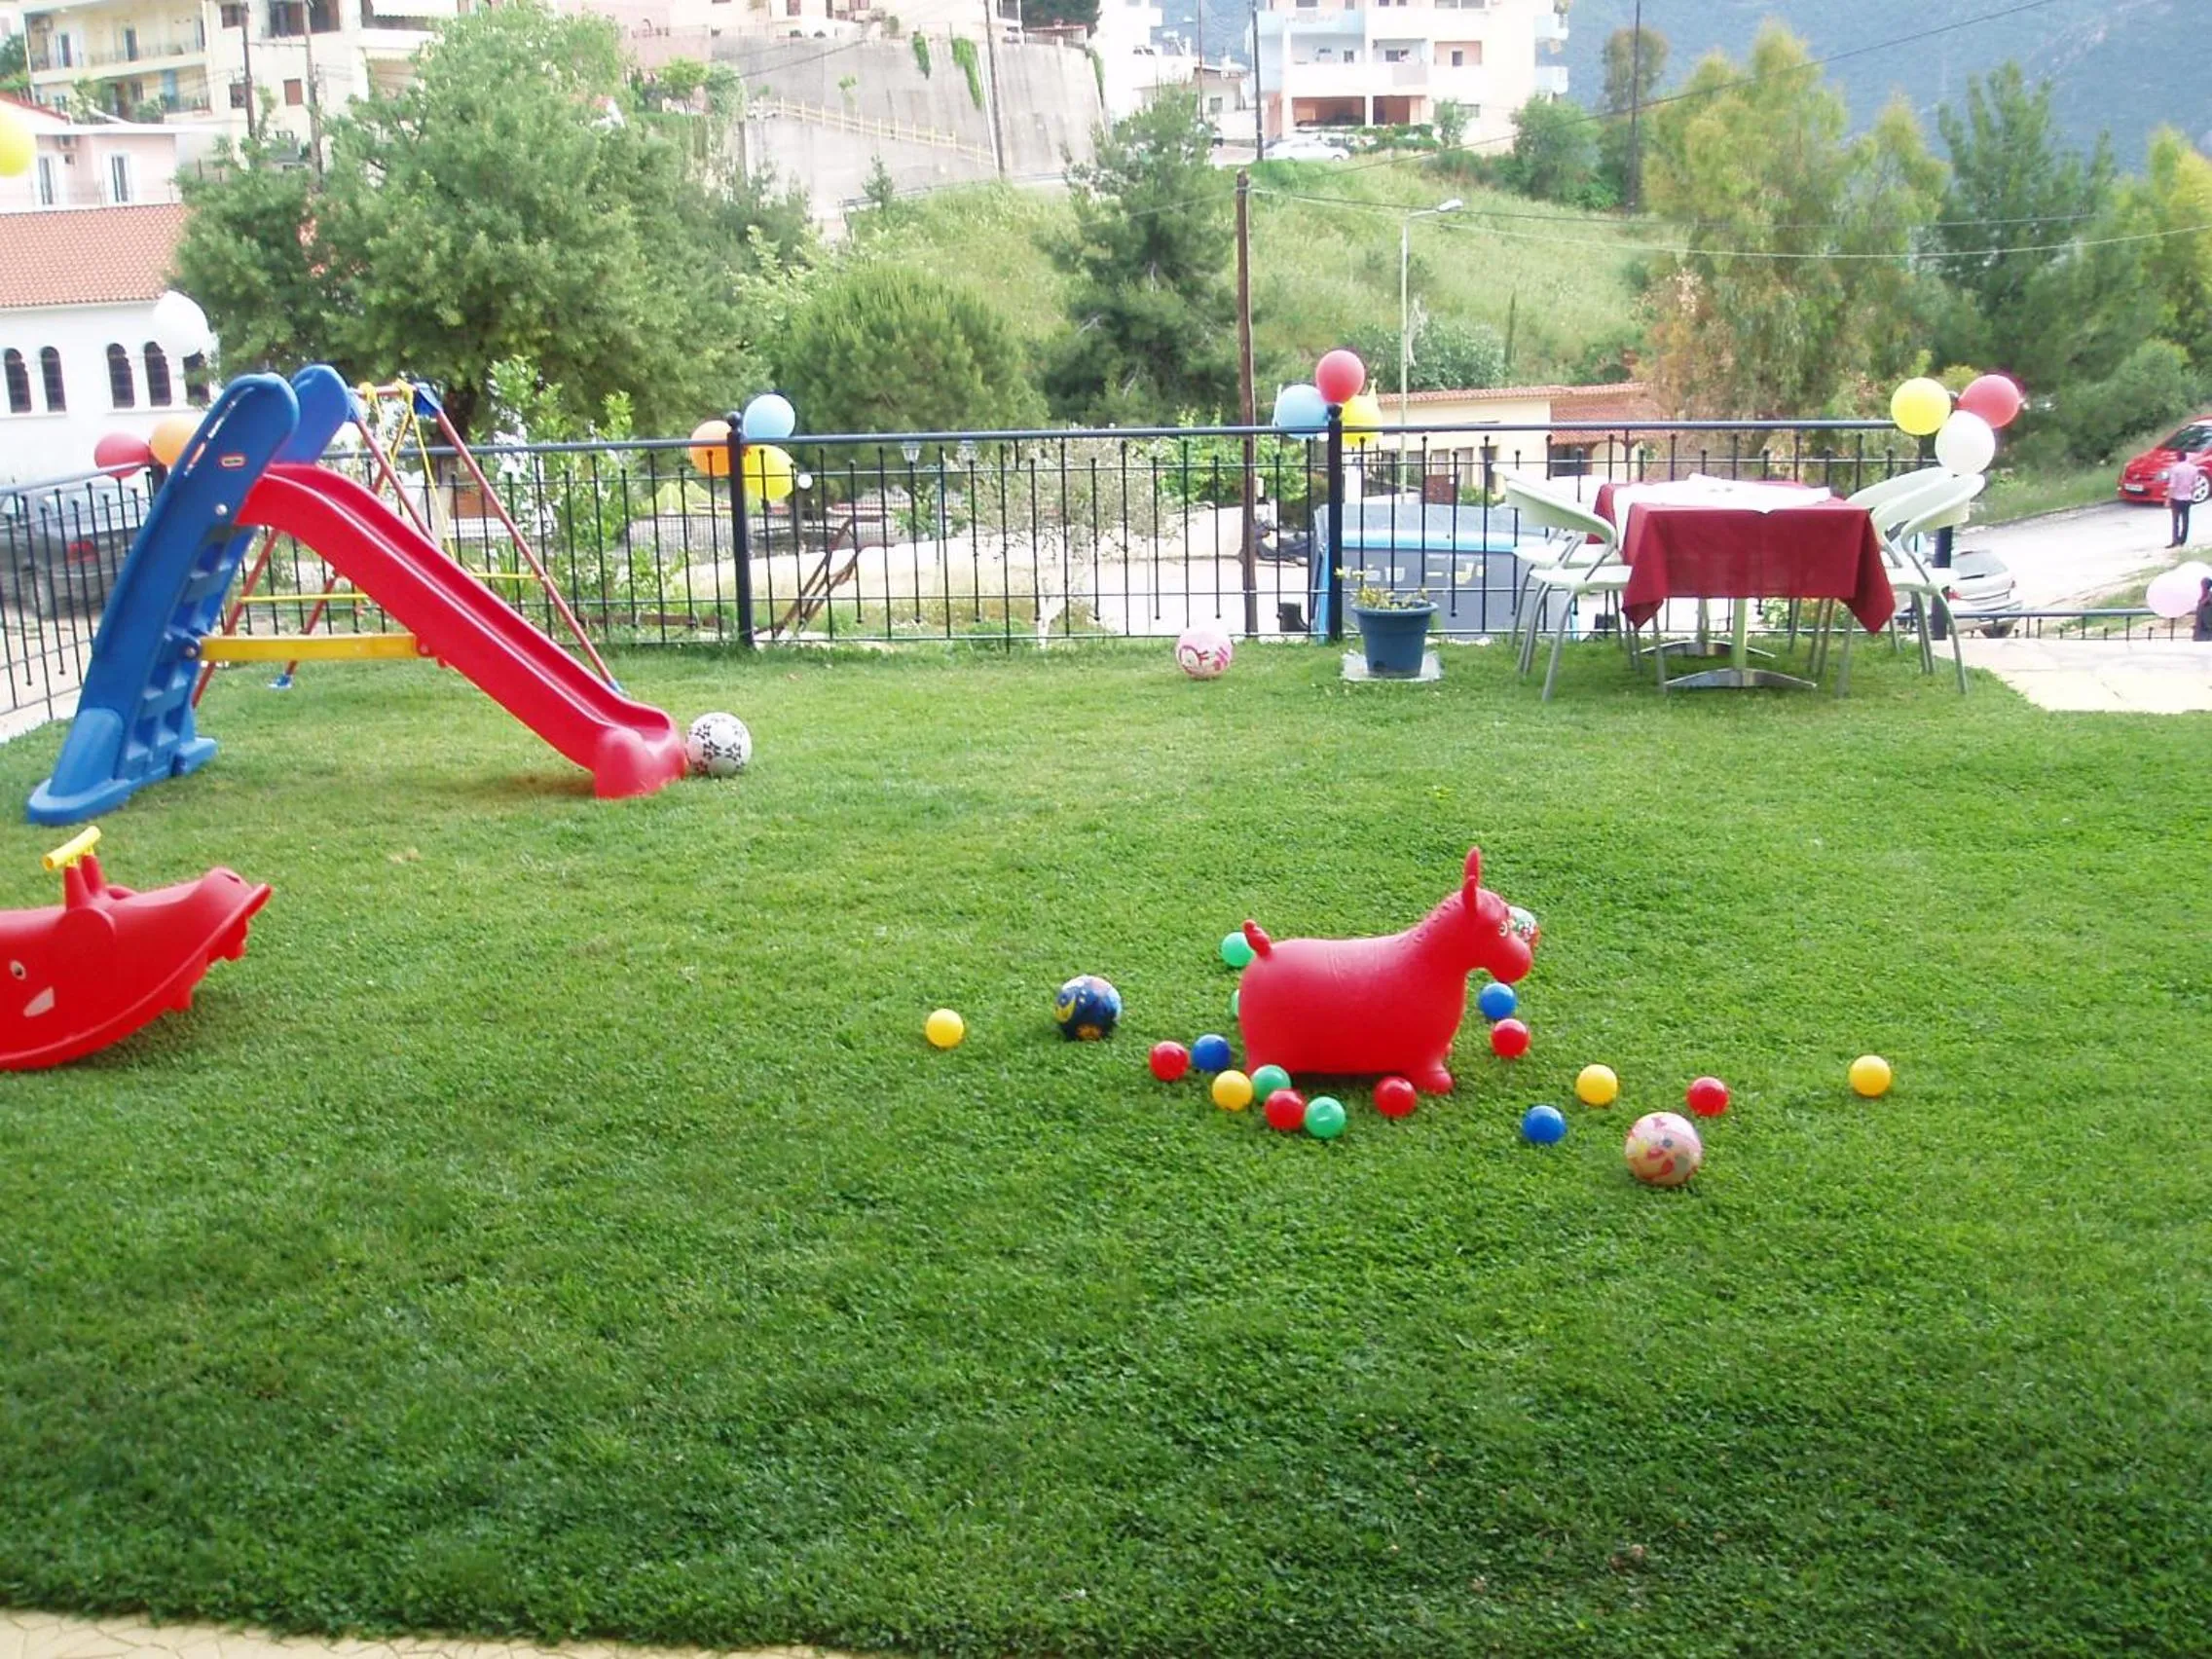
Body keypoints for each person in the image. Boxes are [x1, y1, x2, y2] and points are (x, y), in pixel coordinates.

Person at [2165, 451, 2204, 546]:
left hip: (2176, 497)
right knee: (2186, 519)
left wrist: (2168, 499)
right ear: (2185, 457)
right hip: (2187, 497)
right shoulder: (2194, 469)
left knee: (2176, 520)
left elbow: (2172, 485)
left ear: (2177, 458)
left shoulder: (2175, 469)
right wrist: (2190, 493)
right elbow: (2195, 484)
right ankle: (2183, 540)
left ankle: (2175, 540)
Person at [2195, 575, 2212, 644]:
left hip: (2207, 627)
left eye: (2203, 583)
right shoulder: (2202, 595)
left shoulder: (2210, 595)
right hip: (2200, 626)